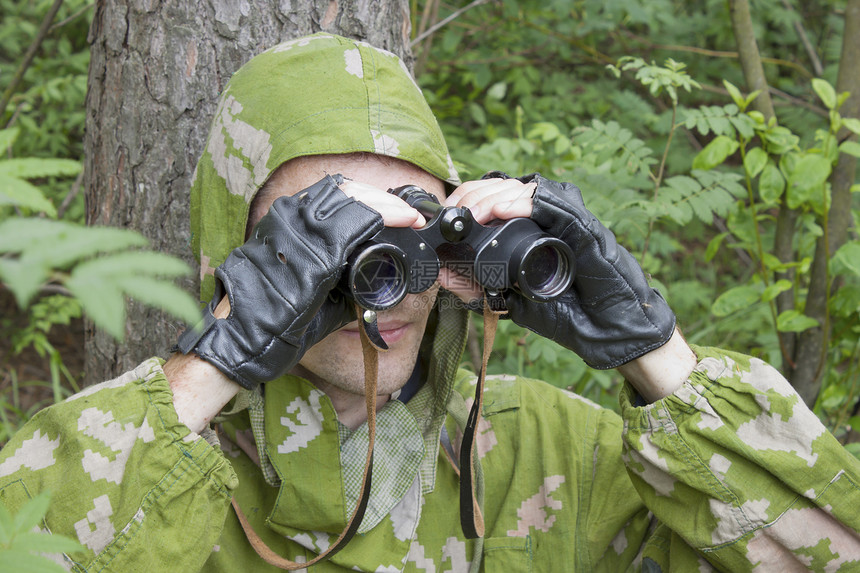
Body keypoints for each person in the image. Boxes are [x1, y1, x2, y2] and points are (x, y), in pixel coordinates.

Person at [1, 33, 859, 572]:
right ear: (243, 253)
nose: (388, 281)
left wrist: (656, 351)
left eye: (416, 226)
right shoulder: (163, 468)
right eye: (322, 238)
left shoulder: (554, 454)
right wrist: (218, 355)